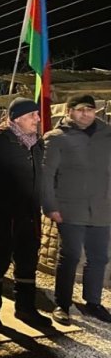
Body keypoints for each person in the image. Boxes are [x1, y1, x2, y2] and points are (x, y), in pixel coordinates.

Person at [0, 97, 51, 330]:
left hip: (29, 215)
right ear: (17, 118)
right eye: (32, 115)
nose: (38, 119)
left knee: (27, 262)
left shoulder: (37, 144)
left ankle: (25, 308)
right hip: (4, 214)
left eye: (37, 115)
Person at [42, 94, 111, 325]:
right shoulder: (57, 138)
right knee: (70, 256)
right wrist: (50, 206)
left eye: (90, 110)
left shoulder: (107, 136)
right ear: (69, 111)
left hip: (102, 209)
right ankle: (62, 304)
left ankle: (93, 303)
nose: (86, 114)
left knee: (99, 257)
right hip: (70, 209)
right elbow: (47, 176)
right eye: (81, 109)